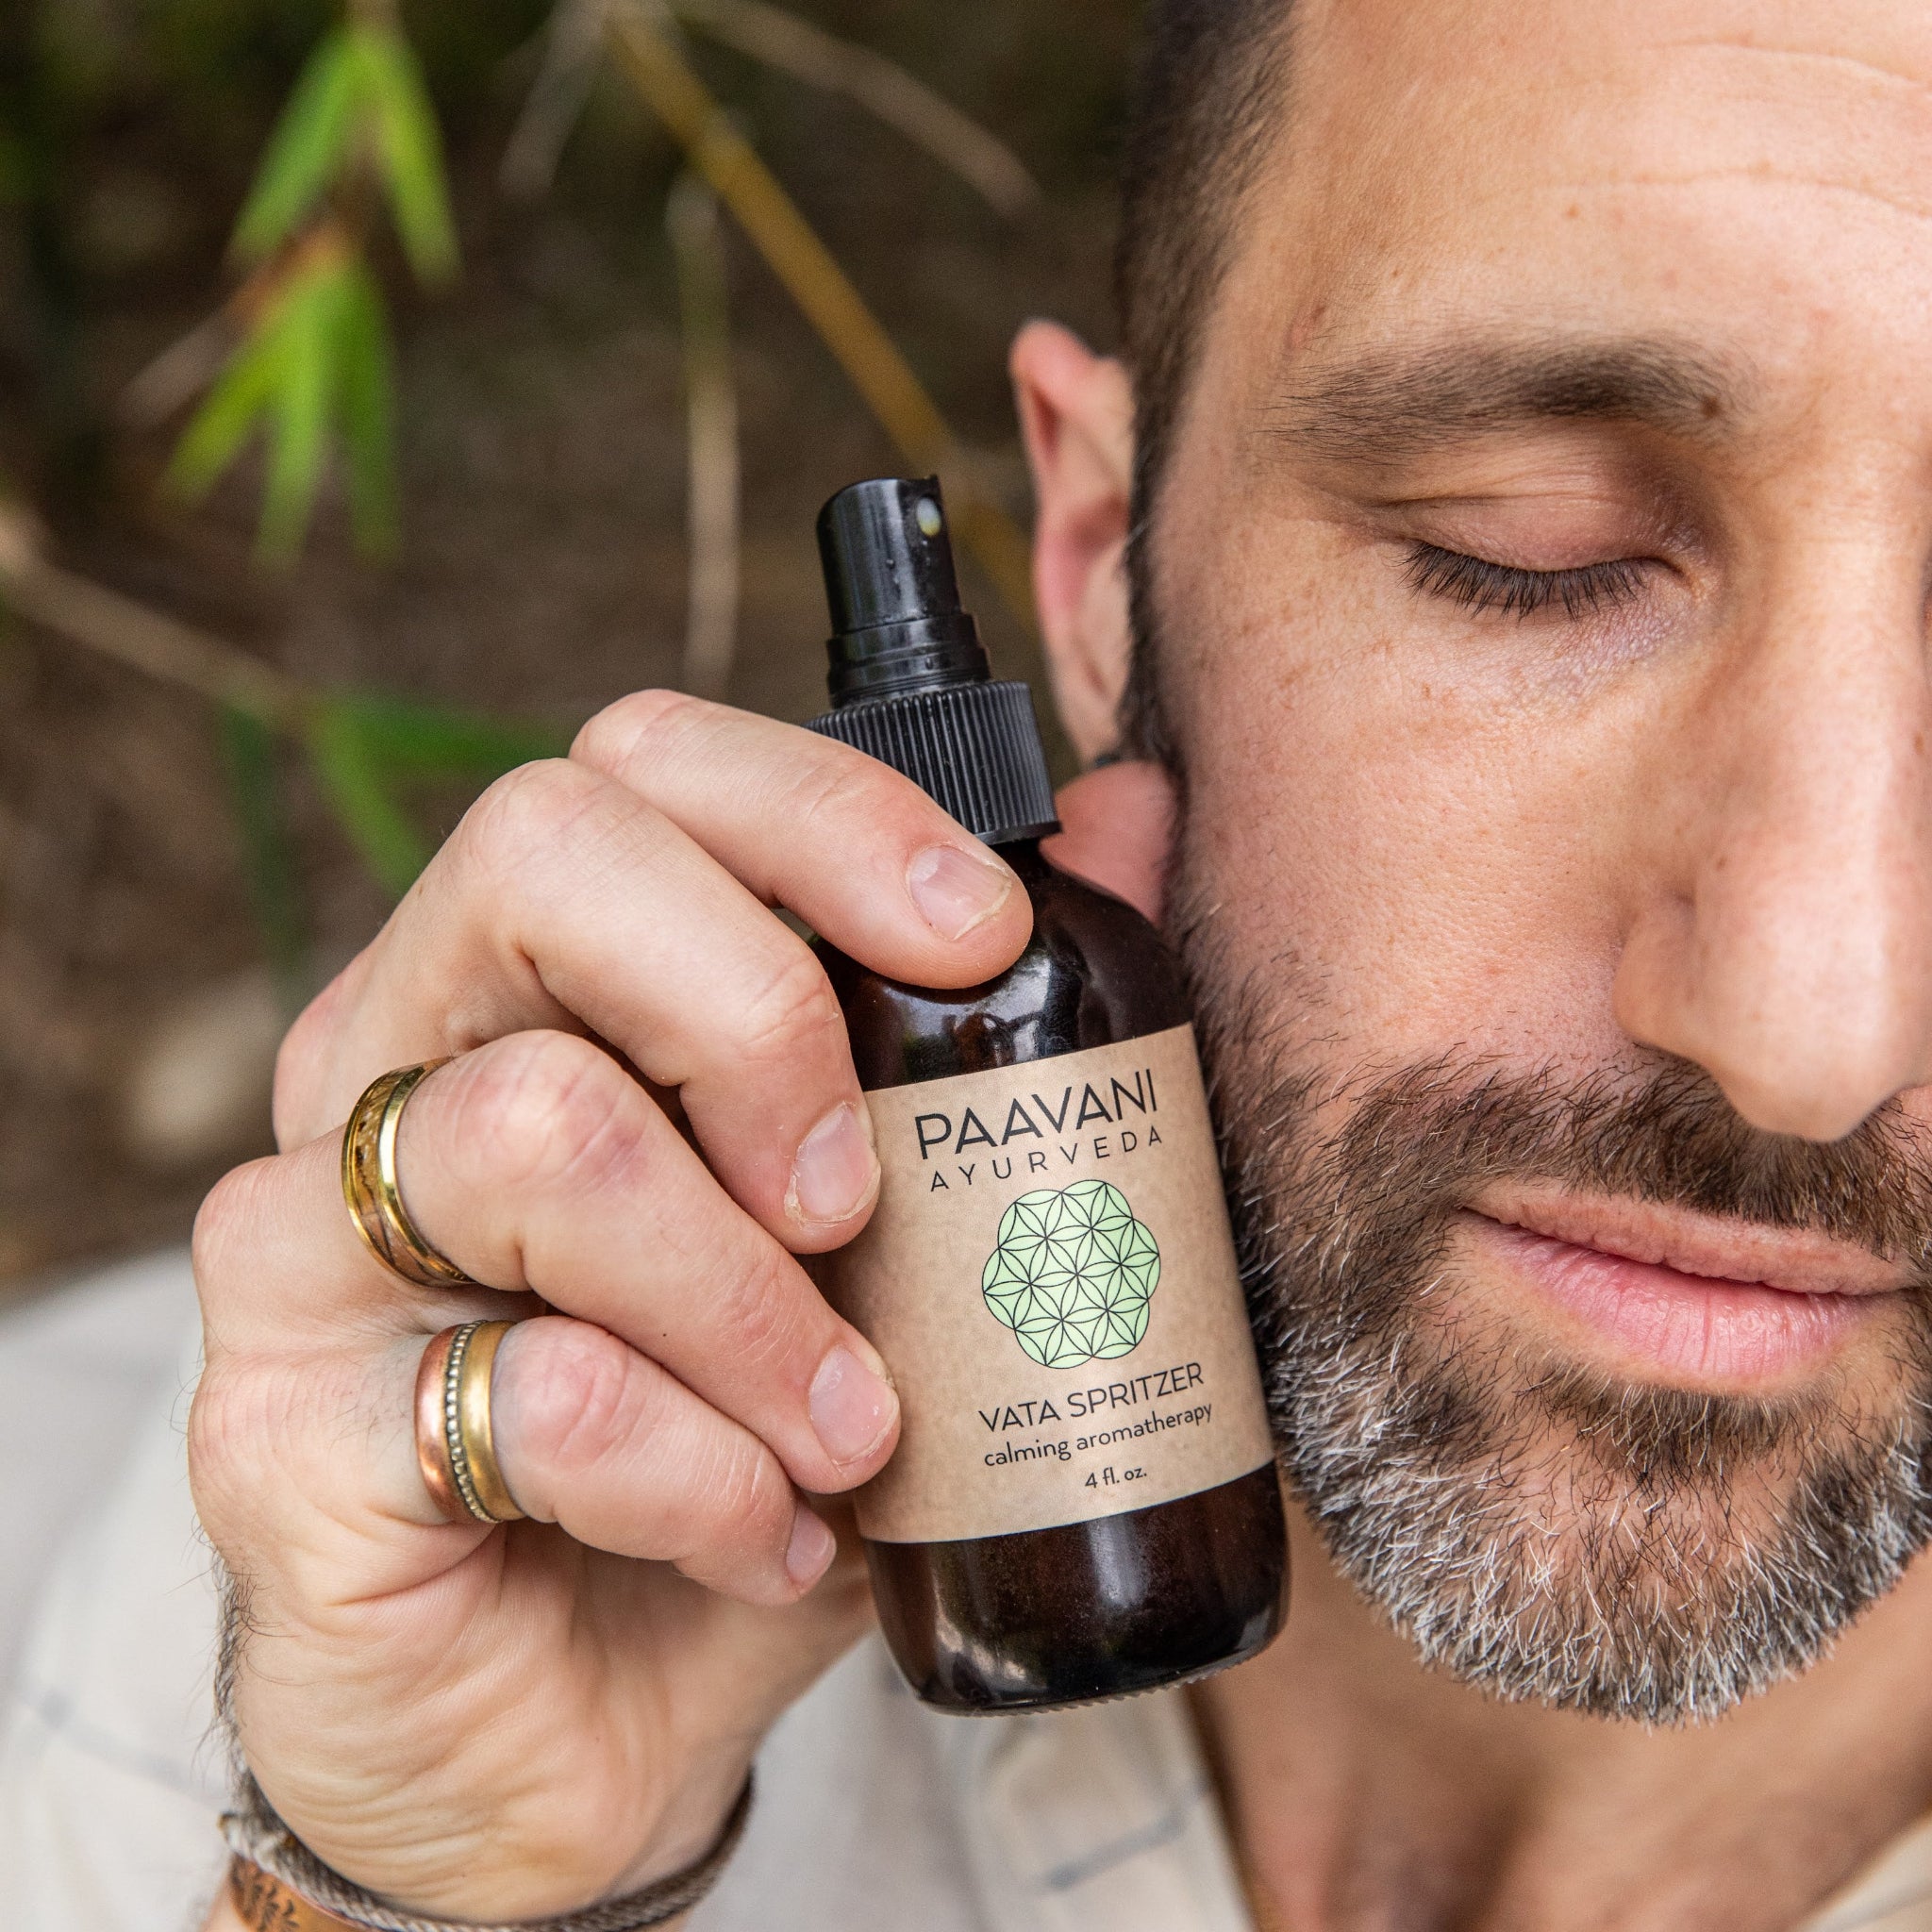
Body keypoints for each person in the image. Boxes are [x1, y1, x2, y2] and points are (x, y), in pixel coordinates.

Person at [12, 0, 1932, 1924]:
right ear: (1101, 568)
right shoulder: (207, 1540)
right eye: (1531, 553)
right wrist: (396, 1890)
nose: (1803, 1027)